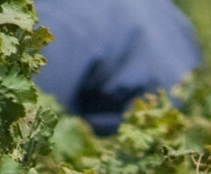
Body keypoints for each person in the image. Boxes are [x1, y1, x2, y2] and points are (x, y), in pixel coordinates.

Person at [32, 0, 198, 136]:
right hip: (190, 135)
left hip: (131, 151)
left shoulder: (59, 13)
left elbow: (33, 112)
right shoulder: (163, 7)